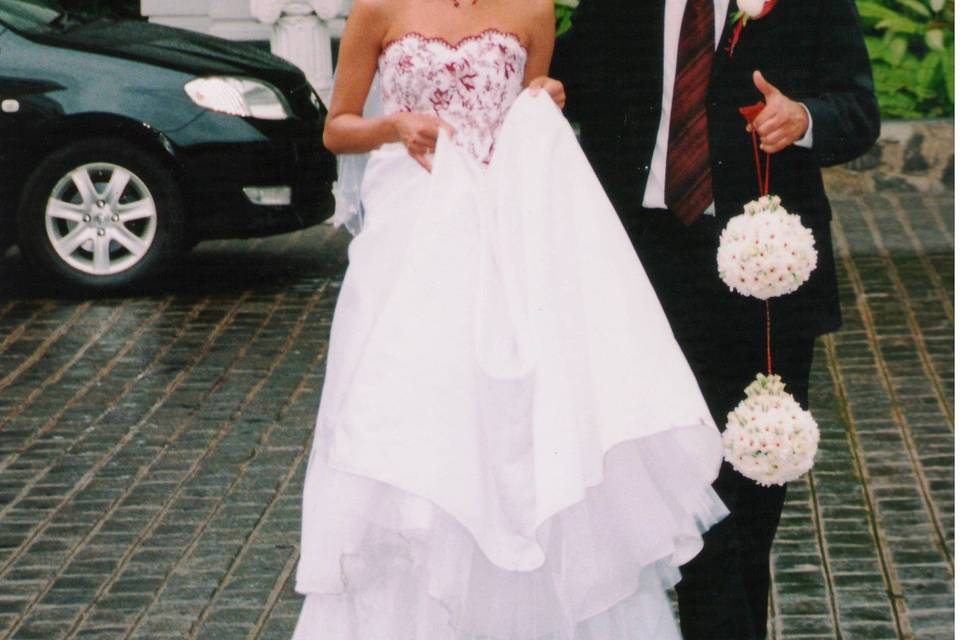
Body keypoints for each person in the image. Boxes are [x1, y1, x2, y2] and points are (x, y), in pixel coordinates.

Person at [291, 0, 733, 637]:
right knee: (413, 415)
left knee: (518, 420)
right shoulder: (378, 9)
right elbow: (337, 128)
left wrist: (547, 95)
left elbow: (534, 115)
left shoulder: (533, 10)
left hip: (510, 234)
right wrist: (395, 128)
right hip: (412, 239)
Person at [552, 1, 880, 638]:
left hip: (758, 268)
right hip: (634, 270)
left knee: (742, 501)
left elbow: (858, 108)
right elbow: (569, 79)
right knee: (635, 483)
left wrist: (805, 118)